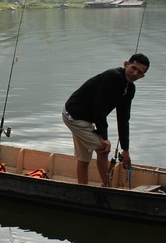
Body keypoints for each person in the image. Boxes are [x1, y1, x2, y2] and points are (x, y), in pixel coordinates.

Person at [62, 53, 150, 186]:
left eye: (139, 72)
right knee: (104, 149)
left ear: (142, 76)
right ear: (126, 64)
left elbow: (123, 119)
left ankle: (82, 189)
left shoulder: (129, 89)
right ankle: (109, 189)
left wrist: (125, 150)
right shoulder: (111, 76)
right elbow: (99, 107)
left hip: (86, 119)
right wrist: (104, 137)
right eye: (133, 68)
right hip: (73, 115)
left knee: (84, 158)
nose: (134, 73)